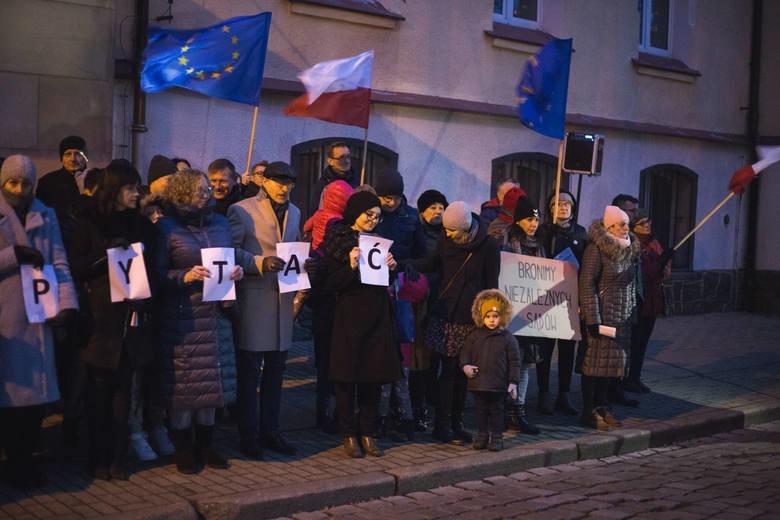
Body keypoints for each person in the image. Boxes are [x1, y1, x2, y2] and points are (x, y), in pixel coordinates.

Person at [68, 159, 158, 480]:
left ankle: (118, 459)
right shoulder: (90, 222)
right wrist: (105, 252)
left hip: (132, 321)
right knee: (98, 394)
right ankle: (97, 457)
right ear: (114, 189)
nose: (137, 194)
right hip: (99, 322)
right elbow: (75, 266)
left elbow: (156, 269)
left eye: (138, 188)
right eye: (131, 188)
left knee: (124, 393)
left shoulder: (142, 225)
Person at [155, 169, 243, 474]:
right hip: (184, 319)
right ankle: (183, 449)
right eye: (200, 190)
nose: (207, 193)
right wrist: (185, 275)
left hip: (216, 315)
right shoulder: (166, 227)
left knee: (211, 389)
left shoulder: (219, 222)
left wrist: (236, 273)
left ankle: (207, 446)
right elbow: (155, 275)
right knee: (184, 391)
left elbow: (229, 257)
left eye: (208, 188)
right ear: (181, 193)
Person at [0, 155, 79, 488]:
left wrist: (66, 304)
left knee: (34, 399)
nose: (20, 189)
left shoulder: (45, 214)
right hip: (6, 320)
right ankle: (14, 461)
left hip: (39, 315)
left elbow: (59, 260)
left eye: (26, 183)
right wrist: (13, 255)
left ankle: (27, 459)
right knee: (8, 398)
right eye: (13, 183)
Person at [320, 191, 402, 457]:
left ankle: (368, 432)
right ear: (355, 213)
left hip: (377, 315)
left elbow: (385, 281)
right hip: (349, 316)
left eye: (378, 216)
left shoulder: (379, 241)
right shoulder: (338, 239)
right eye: (369, 214)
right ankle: (348, 433)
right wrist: (351, 266)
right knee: (347, 378)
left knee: (372, 376)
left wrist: (391, 268)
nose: (373, 220)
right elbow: (330, 284)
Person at [228, 161, 301, 459]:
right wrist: (258, 263)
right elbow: (230, 250)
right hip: (255, 299)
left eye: (289, 183)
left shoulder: (295, 211)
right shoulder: (242, 209)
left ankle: (271, 430)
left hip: (282, 301)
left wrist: (303, 265)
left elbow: (293, 248)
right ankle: (249, 435)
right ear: (264, 182)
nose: (285, 188)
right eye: (279, 182)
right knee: (249, 374)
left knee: (276, 373)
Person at [414, 201, 501, 444]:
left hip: (470, 319)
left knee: (464, 374)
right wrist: (404, 264)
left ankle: (456, 422)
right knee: (448, 372)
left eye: (452, 230)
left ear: (464, 228)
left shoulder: (488, 247)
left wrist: (489, 319)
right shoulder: (446, 241)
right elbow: (431, 263)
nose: (447, 234)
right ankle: (442, 425)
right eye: (446, 230)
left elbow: (491, 285)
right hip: (445, 316)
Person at [373, 167, 426, 440]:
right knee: (382, 351)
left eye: (393, 197)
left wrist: (409, 266)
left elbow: (421, 252)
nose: (388, 202)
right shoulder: (374, 214)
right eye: (384, 197)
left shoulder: (411, 217)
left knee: (402, 349)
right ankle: (381, 413)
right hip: (377, 288)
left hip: (402, 288)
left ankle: (403, 413)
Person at [579, 205, 641, 430]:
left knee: (610, 367)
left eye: (627, 223)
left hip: (621, 319)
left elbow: (631, 285)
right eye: (622, 224)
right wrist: (592, 318)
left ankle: (603, 406)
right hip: (602, 317)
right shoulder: (596, 249)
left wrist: (631, 313)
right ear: (610, 227)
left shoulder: (627, 250)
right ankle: (588, 411)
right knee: (594, 366)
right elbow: (587, 284)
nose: (627, 227)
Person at [494, 196, 548, 434]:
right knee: (507, 364)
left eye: (536, 219)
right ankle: (503, 410)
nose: (534, 224)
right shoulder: (505, 242)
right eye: (529, 219)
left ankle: (519, 411)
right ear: (518, 220)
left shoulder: (540, 246)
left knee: (525, 364)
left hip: (531, 315)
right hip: (510, 313)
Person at [536, 190, 588, 416]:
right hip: (547, 298)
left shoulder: (580, 232)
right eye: (557, 204)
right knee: (544, 350)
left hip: (570, 300)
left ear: (573, 208)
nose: (563, 207)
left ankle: (564, 395)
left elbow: (585, 266)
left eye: (567, 204)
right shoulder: (544, 231)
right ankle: (543, 393)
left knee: (567, 349)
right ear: (550, 208)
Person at [460, 289, 522, 452]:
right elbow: (465, 353)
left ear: (501, 317)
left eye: (495, 316)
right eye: (488, 316)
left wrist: (513, 382)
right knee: (480, 411)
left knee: (497, 411)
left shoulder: (507, 338)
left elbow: (515, 361)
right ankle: (482, 435)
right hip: (479, 382)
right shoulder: (475, 336)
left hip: (498, 384)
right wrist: (465, 366)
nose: (492, 320)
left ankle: (496, 436)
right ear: (482, 317)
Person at [410, 189, 448, 431]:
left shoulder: (448, 235)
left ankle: (432, 395)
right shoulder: (417, 234)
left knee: (436, 352)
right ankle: (419, 400)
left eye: (440, 208)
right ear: (422, 211)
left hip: (441, 299)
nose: (437, 211)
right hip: (421, 300)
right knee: (420, 354)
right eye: (432, 207)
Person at [624, 210, 671, 394]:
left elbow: (661, 272)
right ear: (634, 227)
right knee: (635, 343)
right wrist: (661, 262)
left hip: (652, 301)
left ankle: (635, 377)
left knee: (643, 343)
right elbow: (644, 272)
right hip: (640, 301)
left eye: (648, 222)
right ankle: (628, 378)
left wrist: (664, 264)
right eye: (642, 223)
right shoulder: (635, 245)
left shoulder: (653, 242)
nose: (647, 226)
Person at [36, 135, 89, 239]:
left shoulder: (96, 181)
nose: (73, 159)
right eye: (68, 154)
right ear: (62, 158)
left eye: (78, 154)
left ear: (85, 157)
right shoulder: (47, 183)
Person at [303, 179, 353, 252]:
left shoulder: (318, 214)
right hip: (330, 253)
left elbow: (306, 228)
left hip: (315, 250)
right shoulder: (342, 221)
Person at [310, 142, 359, 212]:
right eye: (342, 157)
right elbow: (317, 213)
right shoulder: (323, 185)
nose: (347, 161)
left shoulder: (356, 182)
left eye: (348, 157)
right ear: (330, 161)